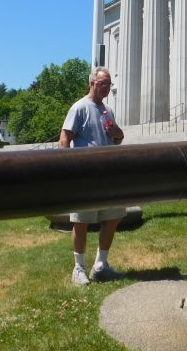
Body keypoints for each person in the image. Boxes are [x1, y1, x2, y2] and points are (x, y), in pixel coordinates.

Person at [59, 66, 125, 286]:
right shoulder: (79, 107)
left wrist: (118, 135)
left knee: (114, 216)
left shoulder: (108, 111)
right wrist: (68, 170)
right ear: (92, 83)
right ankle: (78, 268)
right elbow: (64, 138)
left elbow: (117, 138)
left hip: (109, 175)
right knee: (81, 222)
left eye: (109, 84)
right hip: (85, 176)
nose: (106, 88)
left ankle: (101, 265)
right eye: (102, 83)